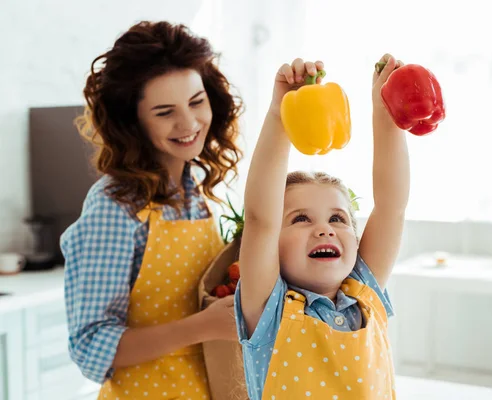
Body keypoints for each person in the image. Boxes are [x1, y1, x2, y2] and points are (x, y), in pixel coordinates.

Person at [61, 20, 243, 399]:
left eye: (196, 102)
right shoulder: (116, 206)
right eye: (165, 112)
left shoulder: (199, 192)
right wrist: (203, 326)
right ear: (133, 121)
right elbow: (90, 345)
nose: (189, 123)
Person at [234, 55, 409, 399]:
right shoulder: (271, 309)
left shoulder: (365, 294)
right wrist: (280, 114)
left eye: (338, 218)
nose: (324, 229)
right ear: (274, 244)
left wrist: (386, 112)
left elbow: (392, 206)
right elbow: (260, 219)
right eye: (301, 218)